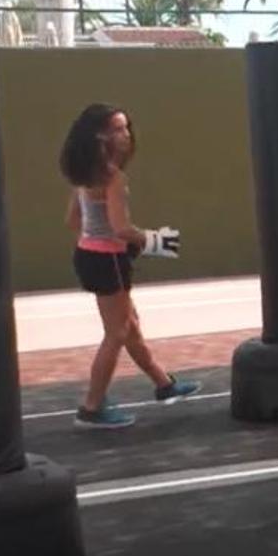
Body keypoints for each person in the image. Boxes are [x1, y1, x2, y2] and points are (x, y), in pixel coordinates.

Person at [59, 104, 199, 429]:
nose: (127, 135)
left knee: (130, 325)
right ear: (101, 136)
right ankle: (92, 407)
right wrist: (154, 240)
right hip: (108, 260)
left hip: (91, 255)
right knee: (117, 333)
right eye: (118, 129)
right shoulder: (113, 178)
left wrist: (96, 242)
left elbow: (73, 221)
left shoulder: (85, 174)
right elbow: (121, 228)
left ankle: (164, 384)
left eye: (127, 128)